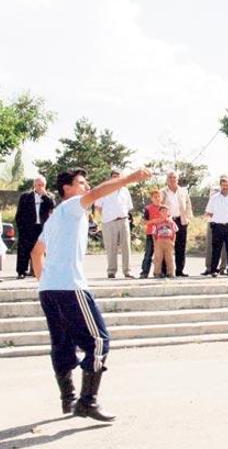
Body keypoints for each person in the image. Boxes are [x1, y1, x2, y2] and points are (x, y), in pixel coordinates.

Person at [31, 167, 151, 421]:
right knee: (98, 341)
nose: (86, 187)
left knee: (62, 344)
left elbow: (35, 252)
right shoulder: (73, 205)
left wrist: (46, 280)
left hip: (49, 290)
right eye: (81, 183)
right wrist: (130, 178)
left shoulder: (54, 218)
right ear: (67, 188)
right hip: (70, 286)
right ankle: (87, 401)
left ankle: (69, 399)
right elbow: (97, 192)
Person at [95, 170, 135, 279]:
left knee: (126, 246)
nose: (116, 178)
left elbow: (128, 207)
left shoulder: (125, 190)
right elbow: (98, 206)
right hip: (109, 222)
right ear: (110, 178)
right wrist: (105, 216)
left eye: (118, 177)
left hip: (123, 220)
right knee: (111, 247)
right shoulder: (104, 190)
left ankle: (127, 271)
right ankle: (111, 271)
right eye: (114, 176)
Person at [15, 176, 55, 279]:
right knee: (24, 249)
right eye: (38, 185)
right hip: (28, 227)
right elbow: (19, 214)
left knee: (40, 249)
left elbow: (52, 206)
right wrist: (21, 227)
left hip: (42, 226)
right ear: (34, 185)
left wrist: (44, 195)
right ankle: (21, 271)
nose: (40, 187)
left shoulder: (49, 196)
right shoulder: (25, 196)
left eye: (42, 185)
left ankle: (38, 270)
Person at [204, 175, 228, 278]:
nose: (225, 187)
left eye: (227, 185)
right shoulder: (214, 198)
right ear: (220, 186)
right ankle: (213, 270)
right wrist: (217, 217)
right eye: (223, 185)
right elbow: (209, 212)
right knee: (216, 249)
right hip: (217, 227)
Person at [161, 171, 194, 277]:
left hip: (181, 221)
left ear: (177, 179)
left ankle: (180, 270)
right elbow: (159, 206)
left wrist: (188, 218)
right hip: (167, 222)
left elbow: (188, 204)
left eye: (174, 177)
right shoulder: (163, 192)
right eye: (170, 177)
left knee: (181, 246)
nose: (172, 179)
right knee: (166, 246)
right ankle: (165, 271)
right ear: (167, 179)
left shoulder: (183, 191)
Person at [202, 185, 228, 276]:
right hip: (212, 224)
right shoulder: (212, 197)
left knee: (224, 247)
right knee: (210, 246)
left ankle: (223, 268)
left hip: (223, 224)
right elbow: (207, 213)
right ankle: (209, 268)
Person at [140, 190, 163, 279]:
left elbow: (168, 218)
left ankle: (159, 272)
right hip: (151, 233)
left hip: (162, 234)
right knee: (148, 253)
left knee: (161, 254)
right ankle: (144, 272)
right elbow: (143, 222)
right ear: (151, 198)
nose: (157, 198)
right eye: (155, 197)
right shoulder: (148, 208)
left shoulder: (164, 208)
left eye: (158, 196)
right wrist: (152, 221)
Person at [151, 205, 178, 279]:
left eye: (166, 211)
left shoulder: (171, 222)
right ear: (160, 212)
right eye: (162, 211)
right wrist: (155, 243)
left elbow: (174, 232)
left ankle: (170, 273)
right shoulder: (157, 222)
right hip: (159, 241)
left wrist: (173, 242)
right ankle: (157, 273)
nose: (164, 213)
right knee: (158, 258)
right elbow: (153, 234)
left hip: (168, 241)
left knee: (169, 258)